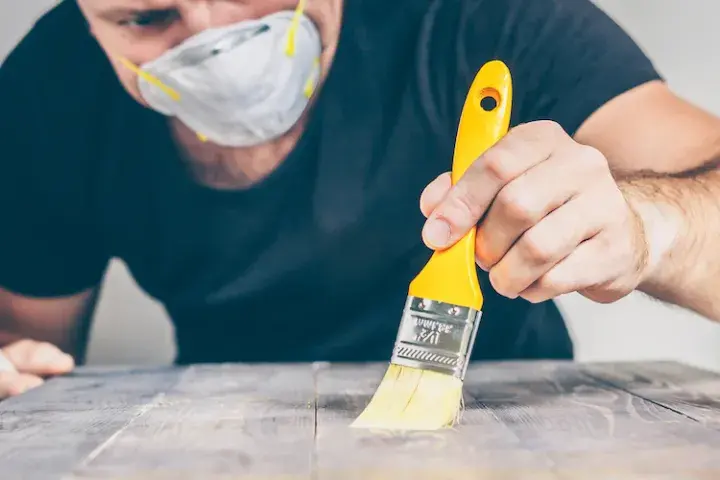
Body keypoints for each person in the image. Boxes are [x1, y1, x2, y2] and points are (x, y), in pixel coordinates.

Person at [1, 0, 719, 400]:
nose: (217, 37)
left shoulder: (483, 18)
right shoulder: (50, 85)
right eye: (148, 18)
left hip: (511, 403)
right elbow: (29, 350)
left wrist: (650, 226)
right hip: (224, 426)